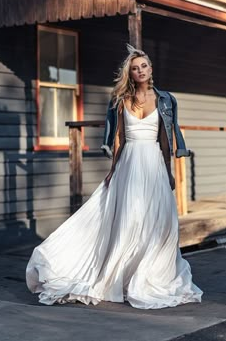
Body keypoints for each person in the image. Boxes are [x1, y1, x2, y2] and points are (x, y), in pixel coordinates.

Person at [26, 44, 203, 309]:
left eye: (144, 66)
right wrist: (112, 171)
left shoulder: (166, 100)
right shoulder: (121, 101)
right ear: (129, 74)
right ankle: (122, 276)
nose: (140, 71)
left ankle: (152, 274)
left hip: (153, 162)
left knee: (159, 221)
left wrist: (168, 172)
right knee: (129, 220)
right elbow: (118, 139)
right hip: (128, 164)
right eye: (135, 68)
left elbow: (165, 140)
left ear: (151, 69)